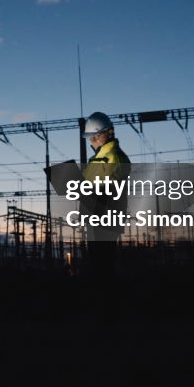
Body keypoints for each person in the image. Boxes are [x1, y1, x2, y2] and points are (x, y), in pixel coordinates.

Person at [80, 111, 130, 280]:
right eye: (90, 137)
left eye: (96, 136)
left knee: (102, 266)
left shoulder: (114, 157)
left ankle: (105, 293)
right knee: (97, 265)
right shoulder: (97, 159)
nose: (92, 141)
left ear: (109, 133)